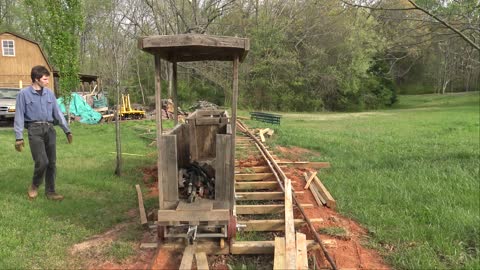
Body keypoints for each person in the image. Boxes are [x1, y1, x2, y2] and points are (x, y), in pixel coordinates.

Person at [14, 65, 73, 200]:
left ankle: (51, 192)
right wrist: (19, 137)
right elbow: (19, 116)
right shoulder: (23, 94)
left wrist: (67, 130)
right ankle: (34, 185)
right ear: (36, 79)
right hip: (34, 130)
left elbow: (57, 113)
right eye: (45, 79)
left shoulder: (49, 93)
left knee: (51, 162)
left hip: (50, 129)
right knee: (42, 161)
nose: (47, 82)